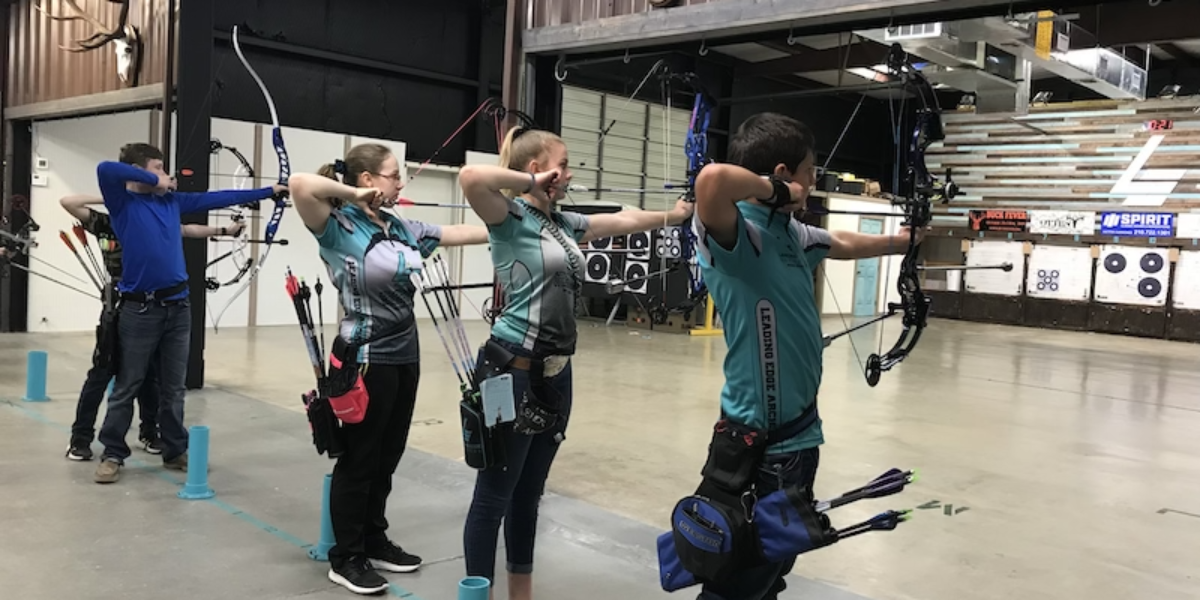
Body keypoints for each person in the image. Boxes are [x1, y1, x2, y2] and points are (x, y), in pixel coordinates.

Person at [688, 112, 923, 600]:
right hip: (760, 446)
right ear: (782, 174)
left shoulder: (791, 234)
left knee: (771, 573)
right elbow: (711, 181)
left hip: (797, 439)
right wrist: (777, 194)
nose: (814, 182)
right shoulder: (738, 234)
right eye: (811, 172)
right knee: (739, 580)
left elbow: (840, 242)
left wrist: (905, 240)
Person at [458, 126, 693, 600]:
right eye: (561, 165)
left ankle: (520, 594)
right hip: (512, 371)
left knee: (528, 494)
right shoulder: (507, 216)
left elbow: (624, 221)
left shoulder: (564, 225)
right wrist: (531, 184)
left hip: (555, 374)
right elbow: (470, 177)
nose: (568, 175)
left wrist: (677, 214)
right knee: (494, 497)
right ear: (534, 169)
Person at [288, 143, 490, 596]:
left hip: (404, 355)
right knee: (360, 459)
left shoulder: (400, 225)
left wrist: (502, 224)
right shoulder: (337, 225)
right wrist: (351, 196)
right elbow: (299, 184)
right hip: (365, 359)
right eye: (393, 175)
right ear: (366, 181)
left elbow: (455, 232)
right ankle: (347, 556)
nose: (401, 183)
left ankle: (374, 539)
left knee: (388, 454)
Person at [93, 143, 285, 484]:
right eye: (160, 168)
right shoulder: (123, 202)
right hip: (141, 308)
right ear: (140, 171)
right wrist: (153, 178)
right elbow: (107, 168)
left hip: (178, 306)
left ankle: (174, 450)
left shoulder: (171, 203)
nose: (169, 175)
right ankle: (112, 453)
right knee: (128, 384)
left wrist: (268, 191)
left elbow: (218, 197)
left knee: (174, 387)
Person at [59, 194, 244, 461]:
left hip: (154, 307)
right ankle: (80, 438)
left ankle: (150, 432)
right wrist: (115, 193)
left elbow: (186, 230)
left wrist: (225, 230)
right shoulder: (107, 222)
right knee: (103, 373)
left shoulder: (153, 221)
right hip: (120, 308)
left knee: (151, 374)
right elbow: (69, 202)